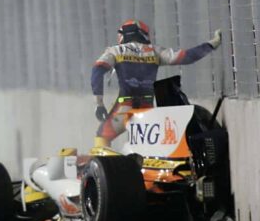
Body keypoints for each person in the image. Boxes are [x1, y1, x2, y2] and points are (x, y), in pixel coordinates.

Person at [91, 19, 222, 147]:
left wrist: (99, 104)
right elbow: (186, 56)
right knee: (149, 146)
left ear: (124, 34)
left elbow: (97, 71)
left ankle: (104, 168)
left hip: (125, 106)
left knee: (102, 136)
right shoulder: (154, 51)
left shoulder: (116, 51)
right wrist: (211, 44)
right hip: (148, 107)